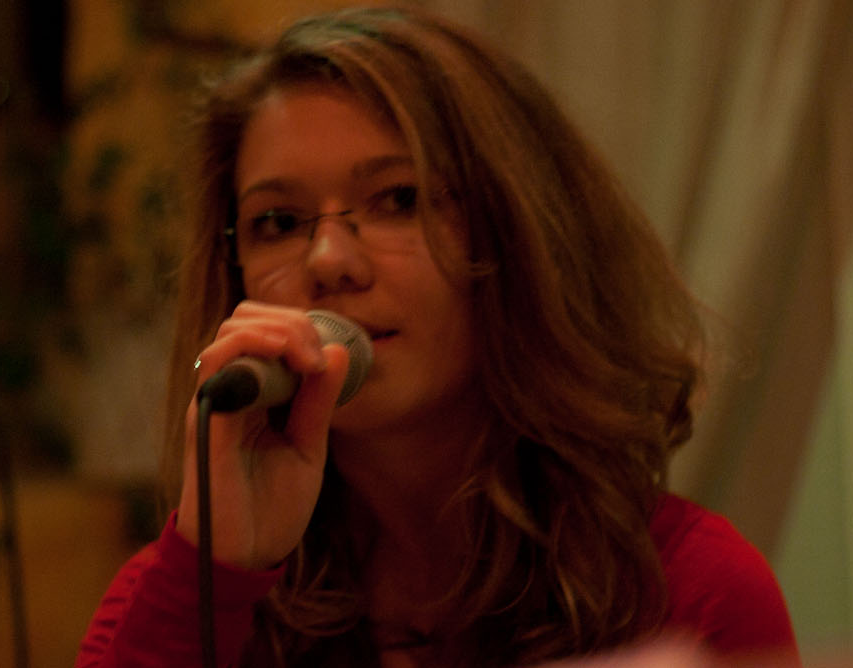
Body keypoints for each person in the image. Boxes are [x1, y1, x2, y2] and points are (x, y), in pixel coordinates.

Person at [77, 6, 798, 667]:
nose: (328, 261)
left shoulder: (688, 589)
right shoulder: (169, 594)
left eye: (399, 199)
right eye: (280, 222)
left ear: (519, 236)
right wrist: (213, 576)